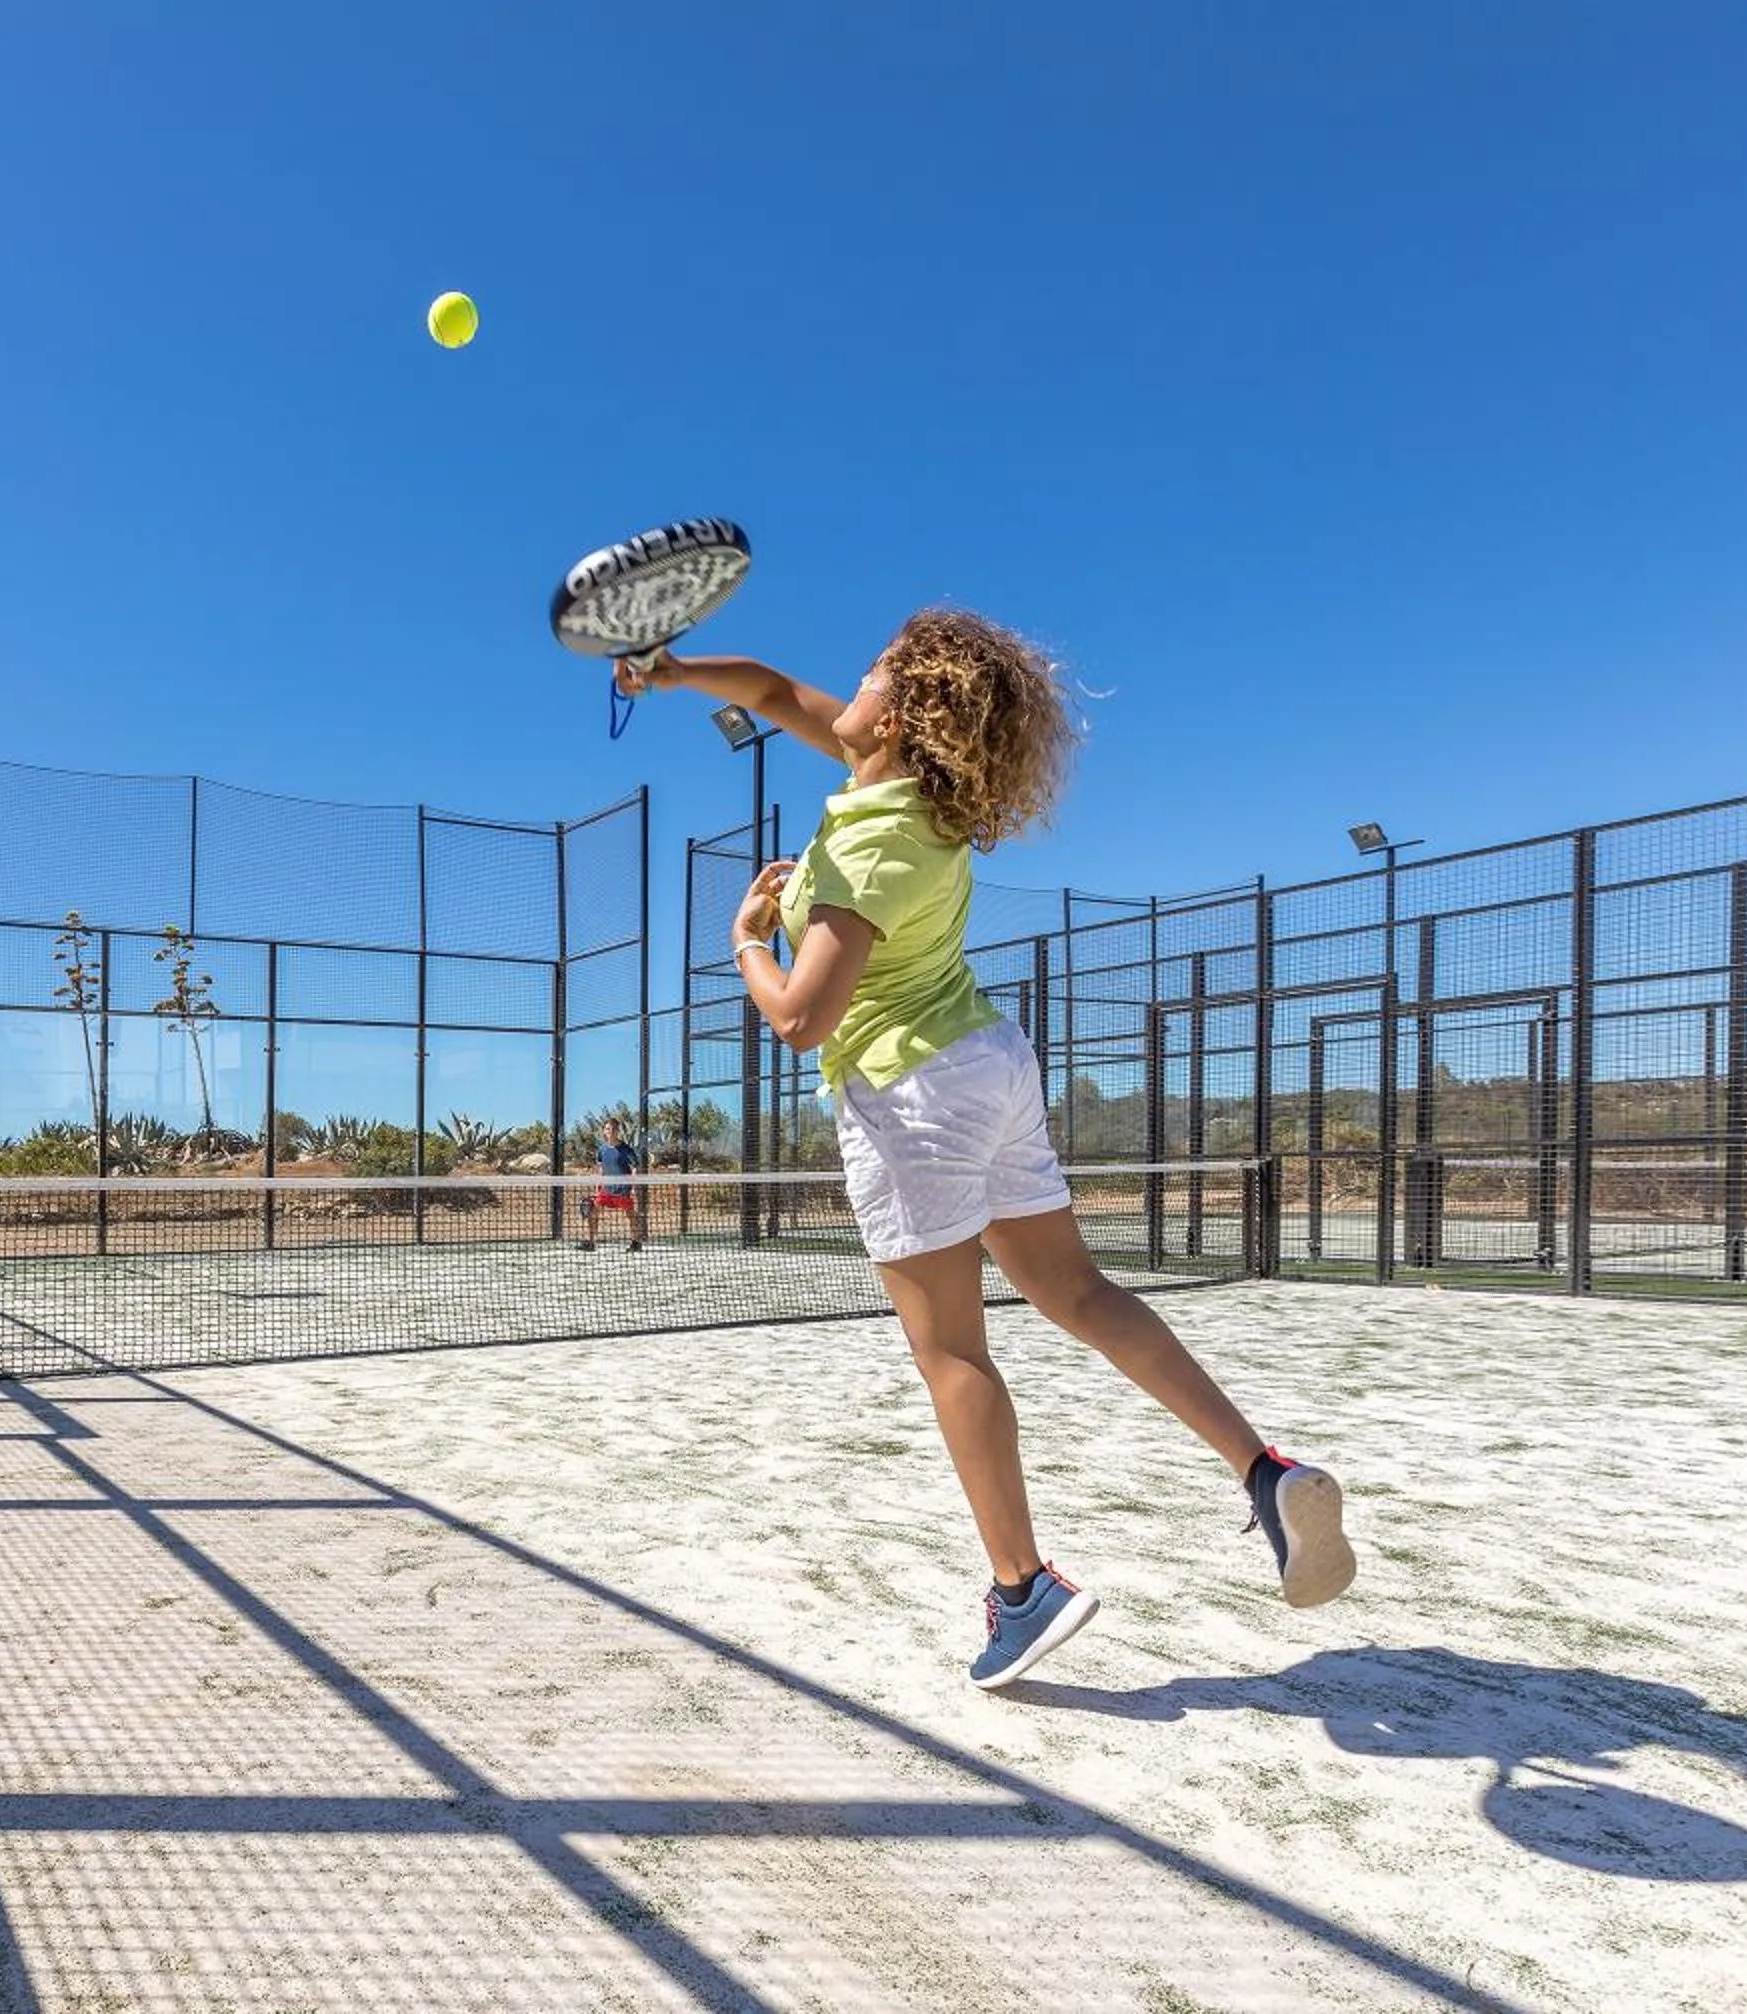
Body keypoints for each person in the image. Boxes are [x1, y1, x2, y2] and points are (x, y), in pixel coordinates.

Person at [618, 612, 1355, 1691]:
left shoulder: (870, 840)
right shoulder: (909, 794)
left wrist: (745, 941)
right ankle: (1263, 1469)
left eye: (873, 671)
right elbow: (774, 690)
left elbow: (801, 1021)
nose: (851, 679)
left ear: (907, 711)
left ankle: (1023, 1590)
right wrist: (677, 670)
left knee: (951, 1350)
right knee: (1079, 1291)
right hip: (990, 1062)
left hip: (912, 1094)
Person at [578, 1114, 646, 1252]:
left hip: (622, 1190)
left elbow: (634, 1168)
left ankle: (636, 1242)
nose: (611, 1132)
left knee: (631, 1216)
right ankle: (591, 1242)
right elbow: (601, 1168)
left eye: (613, 1129)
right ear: (604, 1131)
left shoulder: (626, 1149)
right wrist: (598, 1184)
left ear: (618, 1131)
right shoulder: (601, 1150)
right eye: (608, 1129)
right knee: (593, 1212)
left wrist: (632, 1186)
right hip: (606, 1190)